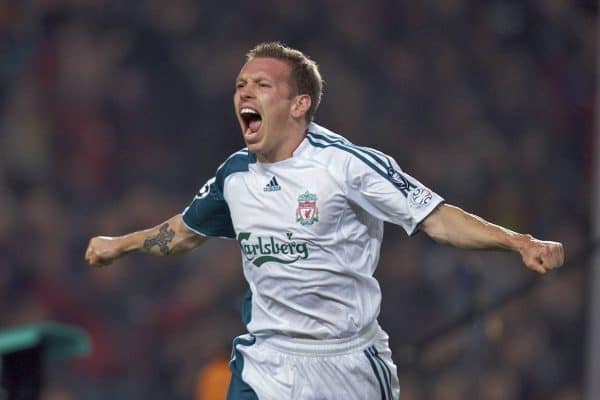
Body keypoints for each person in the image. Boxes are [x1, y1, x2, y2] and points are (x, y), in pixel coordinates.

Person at [85, 42, 564, 400]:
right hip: (266, 361)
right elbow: (185, 234)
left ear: (299, 105)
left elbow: (435, 218)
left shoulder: (347, 166)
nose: (245, 92)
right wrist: (119, 244)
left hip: (346, 364)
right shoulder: (235, 175)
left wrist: (519, 242)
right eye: (241, 85)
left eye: (262, 85)